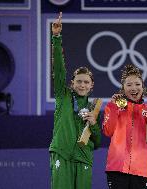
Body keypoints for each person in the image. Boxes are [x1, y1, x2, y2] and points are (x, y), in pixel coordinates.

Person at [49, 12, 101, 189]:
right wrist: (56, 38)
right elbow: (59, 68)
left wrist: (93, 123)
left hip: (83, 157)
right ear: (72, 83)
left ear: (91, 86)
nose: (82, 85)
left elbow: (98, 142)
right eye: (79, 81)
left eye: (86, 82)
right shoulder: (63, 96)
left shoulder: (94, 107)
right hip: (62, 154)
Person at [102, 64, 147, 189]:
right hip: (117, 167)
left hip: (141, 169)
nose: (133, 88)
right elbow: (108, 131)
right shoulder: (114, 106)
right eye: (129, 85)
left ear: (142, 87)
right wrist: (114, 108)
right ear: (123, 88)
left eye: (137, 84)